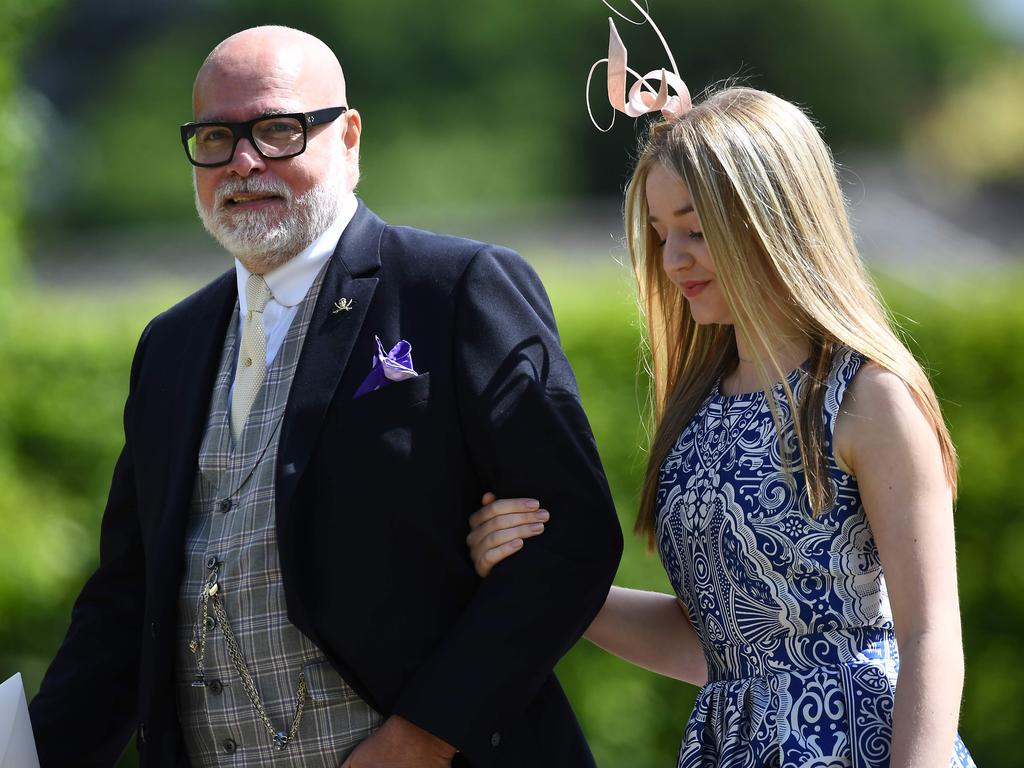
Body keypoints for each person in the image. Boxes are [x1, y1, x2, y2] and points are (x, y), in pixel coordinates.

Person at [28, 25, 622, 768]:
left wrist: (420, 740)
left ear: (348, 137)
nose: (243, 162)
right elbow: (126, 605)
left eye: (276, 130)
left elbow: (571, 541)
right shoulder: (170, 345)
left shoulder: (455, 288)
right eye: (215, 137)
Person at [467, 8, 977, 766]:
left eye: (696, 229)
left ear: (775, 220)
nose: (672, 259)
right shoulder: (697, 407)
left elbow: (932, 638)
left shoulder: (869, 396)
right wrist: (539, 582)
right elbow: (713, 643)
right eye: (660, 232)